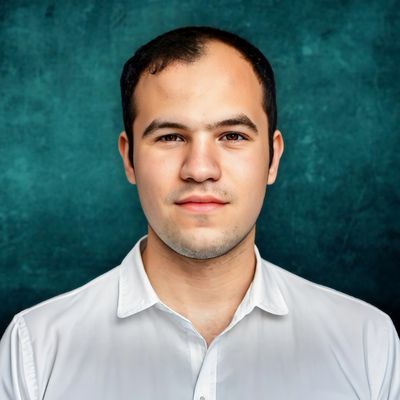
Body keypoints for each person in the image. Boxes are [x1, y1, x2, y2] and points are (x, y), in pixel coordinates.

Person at [0, 26, 399, 400]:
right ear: (129, 158)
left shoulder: (367, 342)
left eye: (232, 136)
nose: (200, 169)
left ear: (273, 158)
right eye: (171, 136)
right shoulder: (34, 349)